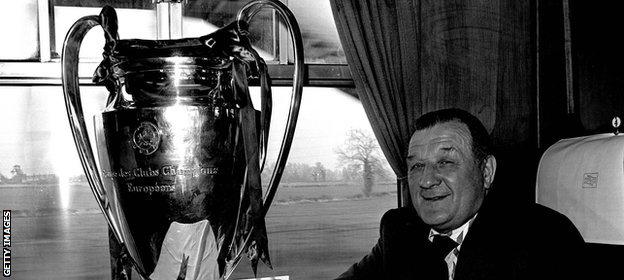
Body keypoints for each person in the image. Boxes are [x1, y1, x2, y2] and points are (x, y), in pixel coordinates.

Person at [335, 108, 585, 280]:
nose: (427, 180)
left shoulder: (544, 238)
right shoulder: (400, 232)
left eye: (445, 162)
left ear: (486, 171)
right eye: (416, 166)